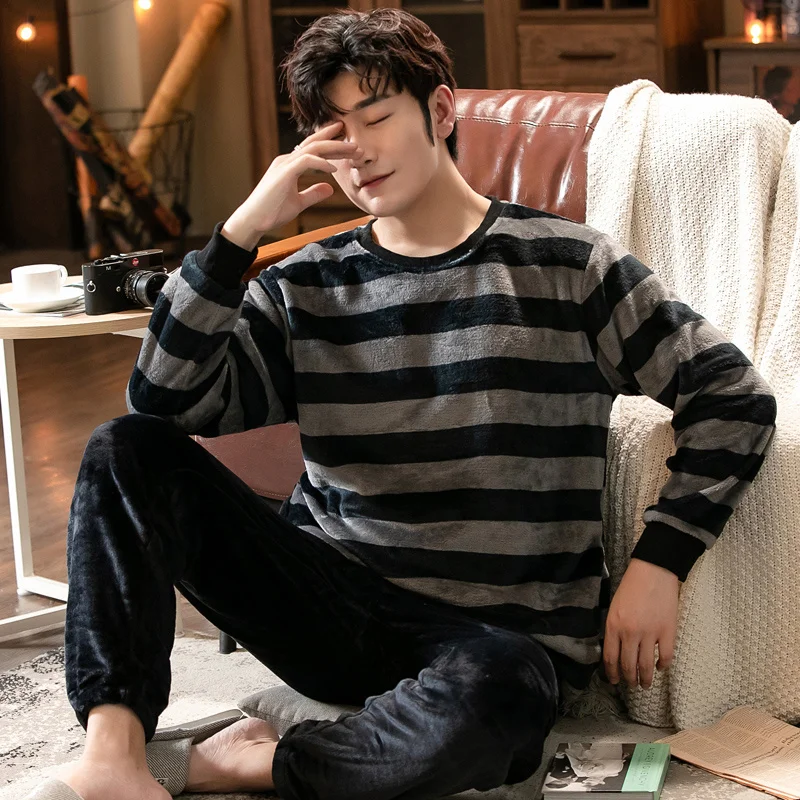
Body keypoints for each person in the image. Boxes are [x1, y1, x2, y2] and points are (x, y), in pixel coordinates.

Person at [52, 8, 776, 800]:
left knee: (501, 702)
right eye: (334, 131)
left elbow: (731, 395)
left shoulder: (570, 266)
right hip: (331, 607)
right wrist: (240, 233)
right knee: (123, 447)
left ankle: (243, 762)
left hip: (495, 642)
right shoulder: (303, 286)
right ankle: (115, 756)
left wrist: (658, 563)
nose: (357, 149)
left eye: (376, 117)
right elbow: (163, 403)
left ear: (440, 109)